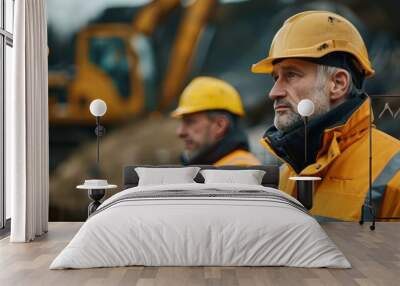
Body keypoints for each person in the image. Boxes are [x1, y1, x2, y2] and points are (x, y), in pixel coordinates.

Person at [252, 10, 400, 221]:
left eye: (291, 75)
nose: (274, 92)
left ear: (338, 84)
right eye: (276, 77)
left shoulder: (395, 176)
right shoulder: (287, 176)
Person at [171, 76, 260, 166]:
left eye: (190, 121)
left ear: (220, 125)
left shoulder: (239, 169)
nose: (180, 132)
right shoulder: (218, 167)